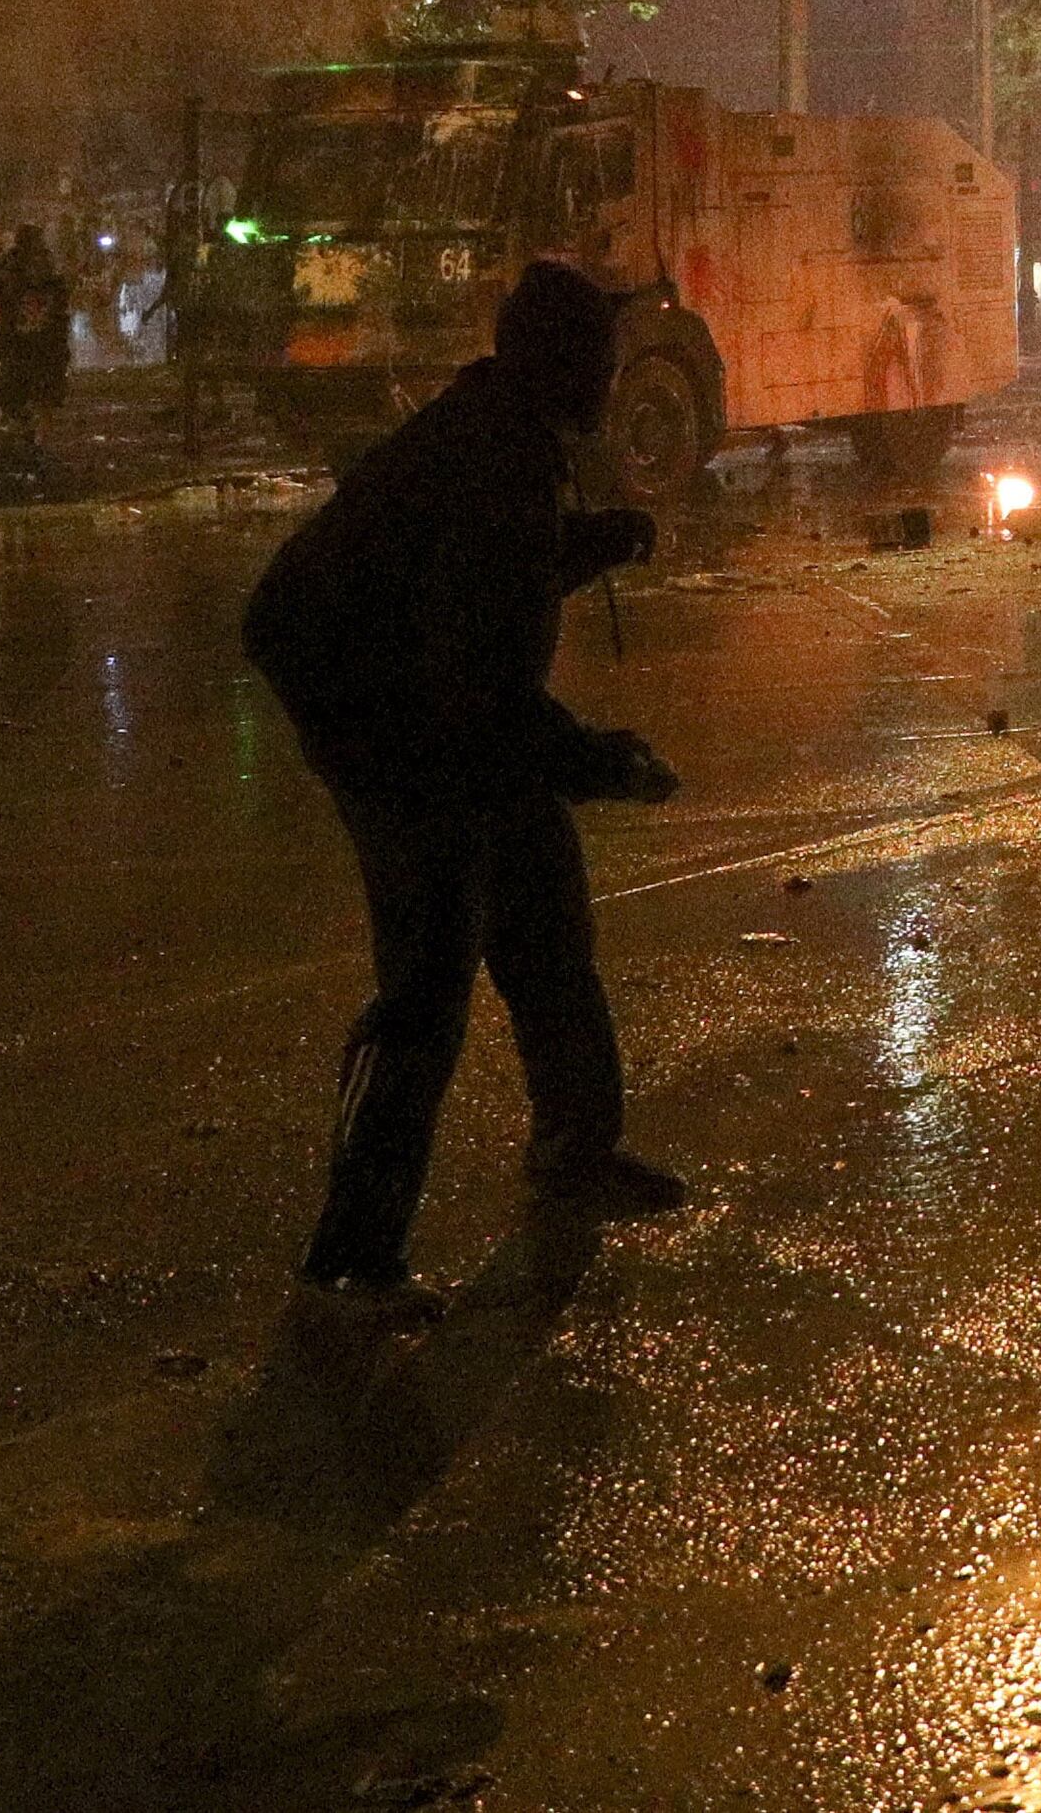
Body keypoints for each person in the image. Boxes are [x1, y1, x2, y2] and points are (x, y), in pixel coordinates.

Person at [243, 262, 686, 1334]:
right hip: (384, 732)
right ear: (561, 366)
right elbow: (477, 687)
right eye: (600, 360)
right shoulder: (494, 460)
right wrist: (605, 763)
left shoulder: (503, 436)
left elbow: (491, 577)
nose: (611, 378)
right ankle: (347, 1262)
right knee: (426, 989)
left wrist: (598, 539)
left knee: (547, 921)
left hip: (435, 711)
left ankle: (575, 1150)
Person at [0, 224, 75, 463]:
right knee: (28, 389)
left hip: (37, 342)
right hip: (27, 341)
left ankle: (33, 435)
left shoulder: (32, 266)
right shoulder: (23, 266)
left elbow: (61, 302)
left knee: (37, 390)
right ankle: (28, 431)